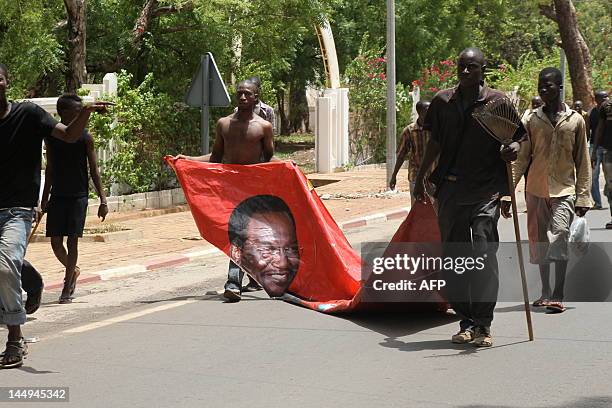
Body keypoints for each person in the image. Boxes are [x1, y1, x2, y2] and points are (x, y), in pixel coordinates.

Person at [0, 63, 110, 368]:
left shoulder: (30, 115)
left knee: (5, 267)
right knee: (12, 262)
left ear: (6, 81)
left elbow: (71, 136)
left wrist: (85, 111)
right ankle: (28, 276)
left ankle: (14, 338)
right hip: (44, 199)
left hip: (20, 209)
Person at [413, 48, 521, 347]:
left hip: (486, 190)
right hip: (450, 189)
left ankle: (484, 324)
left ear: (483, 69)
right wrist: (421, 177)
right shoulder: (442, 102)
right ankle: (466, 321)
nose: (463, 72)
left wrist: (513, 148)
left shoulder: (498, 102)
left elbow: (518, 138)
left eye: (470, 67)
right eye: (461, 67)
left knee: (483, 255)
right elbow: (434, 142)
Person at [176, 80, 274, 302]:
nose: (242, 98)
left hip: (252, 186)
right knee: (239, 233)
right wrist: (187, 160)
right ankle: (248, 276)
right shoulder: (224, 124)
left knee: (241, 233)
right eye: (239, 93)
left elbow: (268, 160)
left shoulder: (263, 127)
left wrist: (289, 167)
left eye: (247, 94)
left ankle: (233, 282)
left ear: (256, 98)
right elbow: (215, 158)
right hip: (228, 187)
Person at [504, 67, 591, 314]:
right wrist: (507, 192)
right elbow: (521, 158)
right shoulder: (531, 119)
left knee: (560, 234)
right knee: (539, 241)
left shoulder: (576, 120)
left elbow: (583, 160)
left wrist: (584, 195)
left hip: (564, 190)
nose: (543, 90)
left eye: (549, 85)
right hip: (535, 189)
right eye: (541, 85)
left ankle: (558, 294)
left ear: (560, 86)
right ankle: (544, 292)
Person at [41, 93, 108, 304]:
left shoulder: (86, 138)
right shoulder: (51, 137)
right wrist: (44, 198)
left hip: (78, 196)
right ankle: (74, 270)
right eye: (78, 112)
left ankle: (67, 285)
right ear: (65, 114)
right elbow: (50, 168)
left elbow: (94, 170)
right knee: (55, 243)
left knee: (72, 241)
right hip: (58, 195)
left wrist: (103, 200)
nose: (81, 115)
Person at [228, 195, 300, 297]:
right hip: (246, 210)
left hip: (259, 209)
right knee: (245, 248)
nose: (282, 263)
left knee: (251, 249)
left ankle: (238, 284)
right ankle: (234, 284)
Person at [389, 100, 432, 206]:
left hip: (433, 175)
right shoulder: (409, 131)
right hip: (415, 175)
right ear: (419, 112)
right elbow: (401, 155)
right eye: (427, 110)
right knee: (417, 206)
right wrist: (394, 175)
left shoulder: (436, 129)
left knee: (435, 209)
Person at [591, 93, 612, 228]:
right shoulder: (606, 107)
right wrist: (594, 152)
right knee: (611, 186)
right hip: (609, 152)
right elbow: (600, 128)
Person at [589, 91, 609, 210]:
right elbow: (589, 129)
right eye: (603, 98)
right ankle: (597, 203)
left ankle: (608, 191)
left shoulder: (609, 111)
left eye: (607, 97)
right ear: (596, 100)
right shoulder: (592, 113)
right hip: (595, 147)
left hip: (608, 148)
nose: (606, 99)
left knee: (609, 177)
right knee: (593, 177)